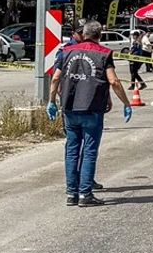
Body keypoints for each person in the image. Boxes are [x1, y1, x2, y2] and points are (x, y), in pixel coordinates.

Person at [47, 21, 131, 207]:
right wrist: (126, 103)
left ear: (83, 34)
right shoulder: (104, 53)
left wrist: (51, 101)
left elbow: (55, 78)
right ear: (99, 35)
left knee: (71, 150)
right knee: (89, 151)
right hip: (92, 109)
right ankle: (85, 194)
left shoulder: (66, 52)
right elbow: (114, 81)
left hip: (69, 108)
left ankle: (71, 193)